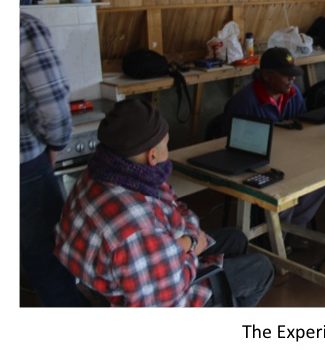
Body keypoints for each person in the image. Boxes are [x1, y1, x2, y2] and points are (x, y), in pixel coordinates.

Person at [54, 99, 274, 306]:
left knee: (236, 238)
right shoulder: (137, 230)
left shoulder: (103, 172)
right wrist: (190, 247)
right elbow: (168, 293)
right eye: (167, 145)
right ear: (152, 156)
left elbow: (173, 203)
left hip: (144, 262)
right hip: (163, 295)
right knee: (262, 269)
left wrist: (187, 241)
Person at [20, 0, 87, 307]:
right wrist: (55, 144)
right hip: (24, 165)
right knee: (50, 259)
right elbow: (52, 101)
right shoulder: (23, 28)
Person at [224, 47, 325, 228]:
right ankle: (274, 235)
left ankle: (291, 230)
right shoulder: (245, 102)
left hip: (289, 157)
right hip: (258, 165)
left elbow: (302, 126)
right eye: (286, 75)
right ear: (266, 75)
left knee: (321, 180)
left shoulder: (293, 94)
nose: (292, 79)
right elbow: (235, 147)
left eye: (293, 74)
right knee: (284, 192)